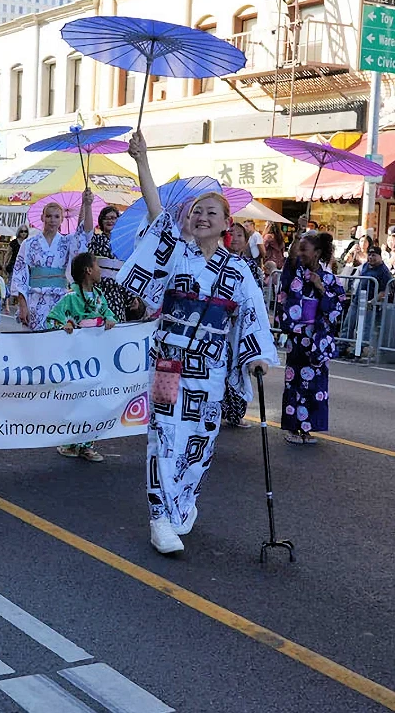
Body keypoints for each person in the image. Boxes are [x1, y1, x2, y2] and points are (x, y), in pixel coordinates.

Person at [123, 130, 278, 554]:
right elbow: (158, 216)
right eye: (196, 212)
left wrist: (257, 357)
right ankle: (159, 518)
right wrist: (143, 161)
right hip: (169, 365)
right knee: (164, 438)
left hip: (208, 370)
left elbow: (251, 317)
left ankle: (182, 503)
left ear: (228, 224)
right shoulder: (177, 254)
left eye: (211, 212)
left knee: (200, 444)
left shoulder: (239, 271)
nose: (202, 217)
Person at [45, 251, 117, 463]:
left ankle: (87, 444)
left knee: (94, 399)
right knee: (76, 399)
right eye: (97, 266)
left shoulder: (99, 296)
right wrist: (65, 324)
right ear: (88, 271)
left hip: (96, 356)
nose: (100, 270)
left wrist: (110, 319)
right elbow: (51, 320)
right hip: (77, 358)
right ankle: (70, 441)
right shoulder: (69, 298)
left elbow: (108, 313)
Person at [277, 230, 347, 445]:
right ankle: (293, 428)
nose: (301, 254)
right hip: (299, 337)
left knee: (316, 385)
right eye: (300, 250)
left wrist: (320, 287)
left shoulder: (328, 278)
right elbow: (289, 263)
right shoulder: (294, 272)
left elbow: (338, 303)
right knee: (295, 382)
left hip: (317, 338)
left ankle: (308, 429)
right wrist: (298, 237)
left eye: (305, 250)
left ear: (317, 252)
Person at [12, 191, 94, 330]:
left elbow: (83, 233)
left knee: (58, 340)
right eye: (49, 216)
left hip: (60, 299)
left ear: (62, 219)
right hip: (35, 299)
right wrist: (22, 304)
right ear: (42, 217)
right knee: (34, 341)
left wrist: (86, 205)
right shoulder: (29, 243)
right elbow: (20, 275)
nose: (52, 220)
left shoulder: (66, 241)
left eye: (56, 216)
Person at [221, 222, 264, 428]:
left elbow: (255, 297)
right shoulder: (217, 262)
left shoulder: (251, 267)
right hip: (221, 321)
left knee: (239, 365)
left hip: (241, 324)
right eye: (231, 234)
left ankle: (236, 412)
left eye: (240, 235)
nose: (235, 238)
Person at [87, 205, 143, 322]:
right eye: (106, 218)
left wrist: (132, 297)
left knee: (117, 324)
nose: (110, 221)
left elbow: (128, 271)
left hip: (118, 291)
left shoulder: (126, 243)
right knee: (96, 323)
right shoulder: (95, 240)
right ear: (101, 221)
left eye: (113, 218)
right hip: (98, 288)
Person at [340, 245, 391, 355]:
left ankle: (360, 349)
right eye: (369, 255)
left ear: (379, 256)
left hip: (370, 303)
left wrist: (372, 301)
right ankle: (343, 346)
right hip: (357, 299)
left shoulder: (384, 271)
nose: (371, 258)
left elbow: (384, 290)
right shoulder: (365, 266)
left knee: (365, 328)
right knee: (348, 324)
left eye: (374, 255)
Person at [5, 224, 29, 312]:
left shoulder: (28, 242)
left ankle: (18, 302)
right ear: (19, 232)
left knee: (22, 284)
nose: (23, 233)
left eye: (25, 231)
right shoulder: (14, 242)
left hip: (24, 266)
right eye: (22, 231)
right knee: (10, 283)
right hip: (13, 264)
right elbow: (8, 254)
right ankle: (7, 301)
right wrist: (5, 264)